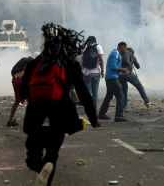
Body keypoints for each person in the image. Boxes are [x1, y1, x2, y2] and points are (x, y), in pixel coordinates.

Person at [20, 23, 100, 186]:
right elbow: (84, 93)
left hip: (36, 116)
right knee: (52, 154)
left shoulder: (34, 64)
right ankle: (46, 170)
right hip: (60, 116)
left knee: (32, 157)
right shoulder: (70, 64)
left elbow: (23, 92)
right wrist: (93, 118)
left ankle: (40, 166)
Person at [98, 42, 129, 122]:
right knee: (120, 95)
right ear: (122, 47)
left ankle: (101, 114)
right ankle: (119, 116)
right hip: (113, 78)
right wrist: (122, 69)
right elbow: (113, 66)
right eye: (125, 48)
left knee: (109, 96)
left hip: (109, 78)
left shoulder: (114, 52)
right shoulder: (116, 53)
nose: (125, 50)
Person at [7, 52, 39, 127]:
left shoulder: (23, 60)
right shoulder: (32, 62)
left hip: (15, 80)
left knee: (17, 101)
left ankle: (10, 121)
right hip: (22, 81)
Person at [81, 36, 104, 110]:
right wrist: (102, 71)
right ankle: (94, 108)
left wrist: (83, 70)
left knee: (88, 91)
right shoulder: (98, 46)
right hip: (96, 72)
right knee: (95, 91)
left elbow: (82, 59)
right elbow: (101, 59)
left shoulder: (84, 47)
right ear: (95, 41)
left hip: (86, 72)